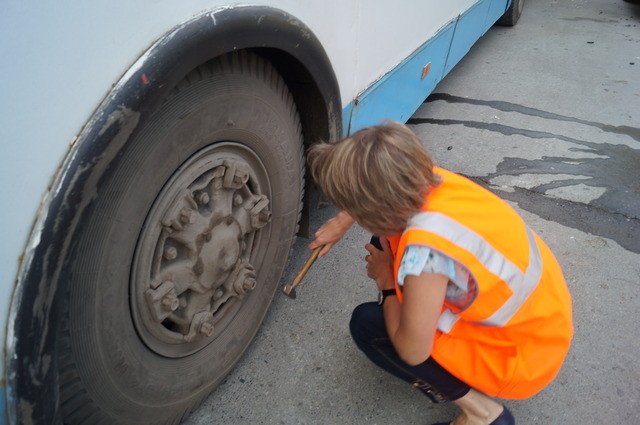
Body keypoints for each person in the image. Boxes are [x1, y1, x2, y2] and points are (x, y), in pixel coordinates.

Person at [307, 122, 573, 425]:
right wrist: (344, 220)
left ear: (373, 209)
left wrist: (386, 282)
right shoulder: (428, 178)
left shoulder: (424, 258)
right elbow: (381, 184)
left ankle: (483, 414)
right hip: (544, 319)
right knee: (383, 243)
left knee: (367, 325)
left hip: (519, 357)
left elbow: (412, 351)